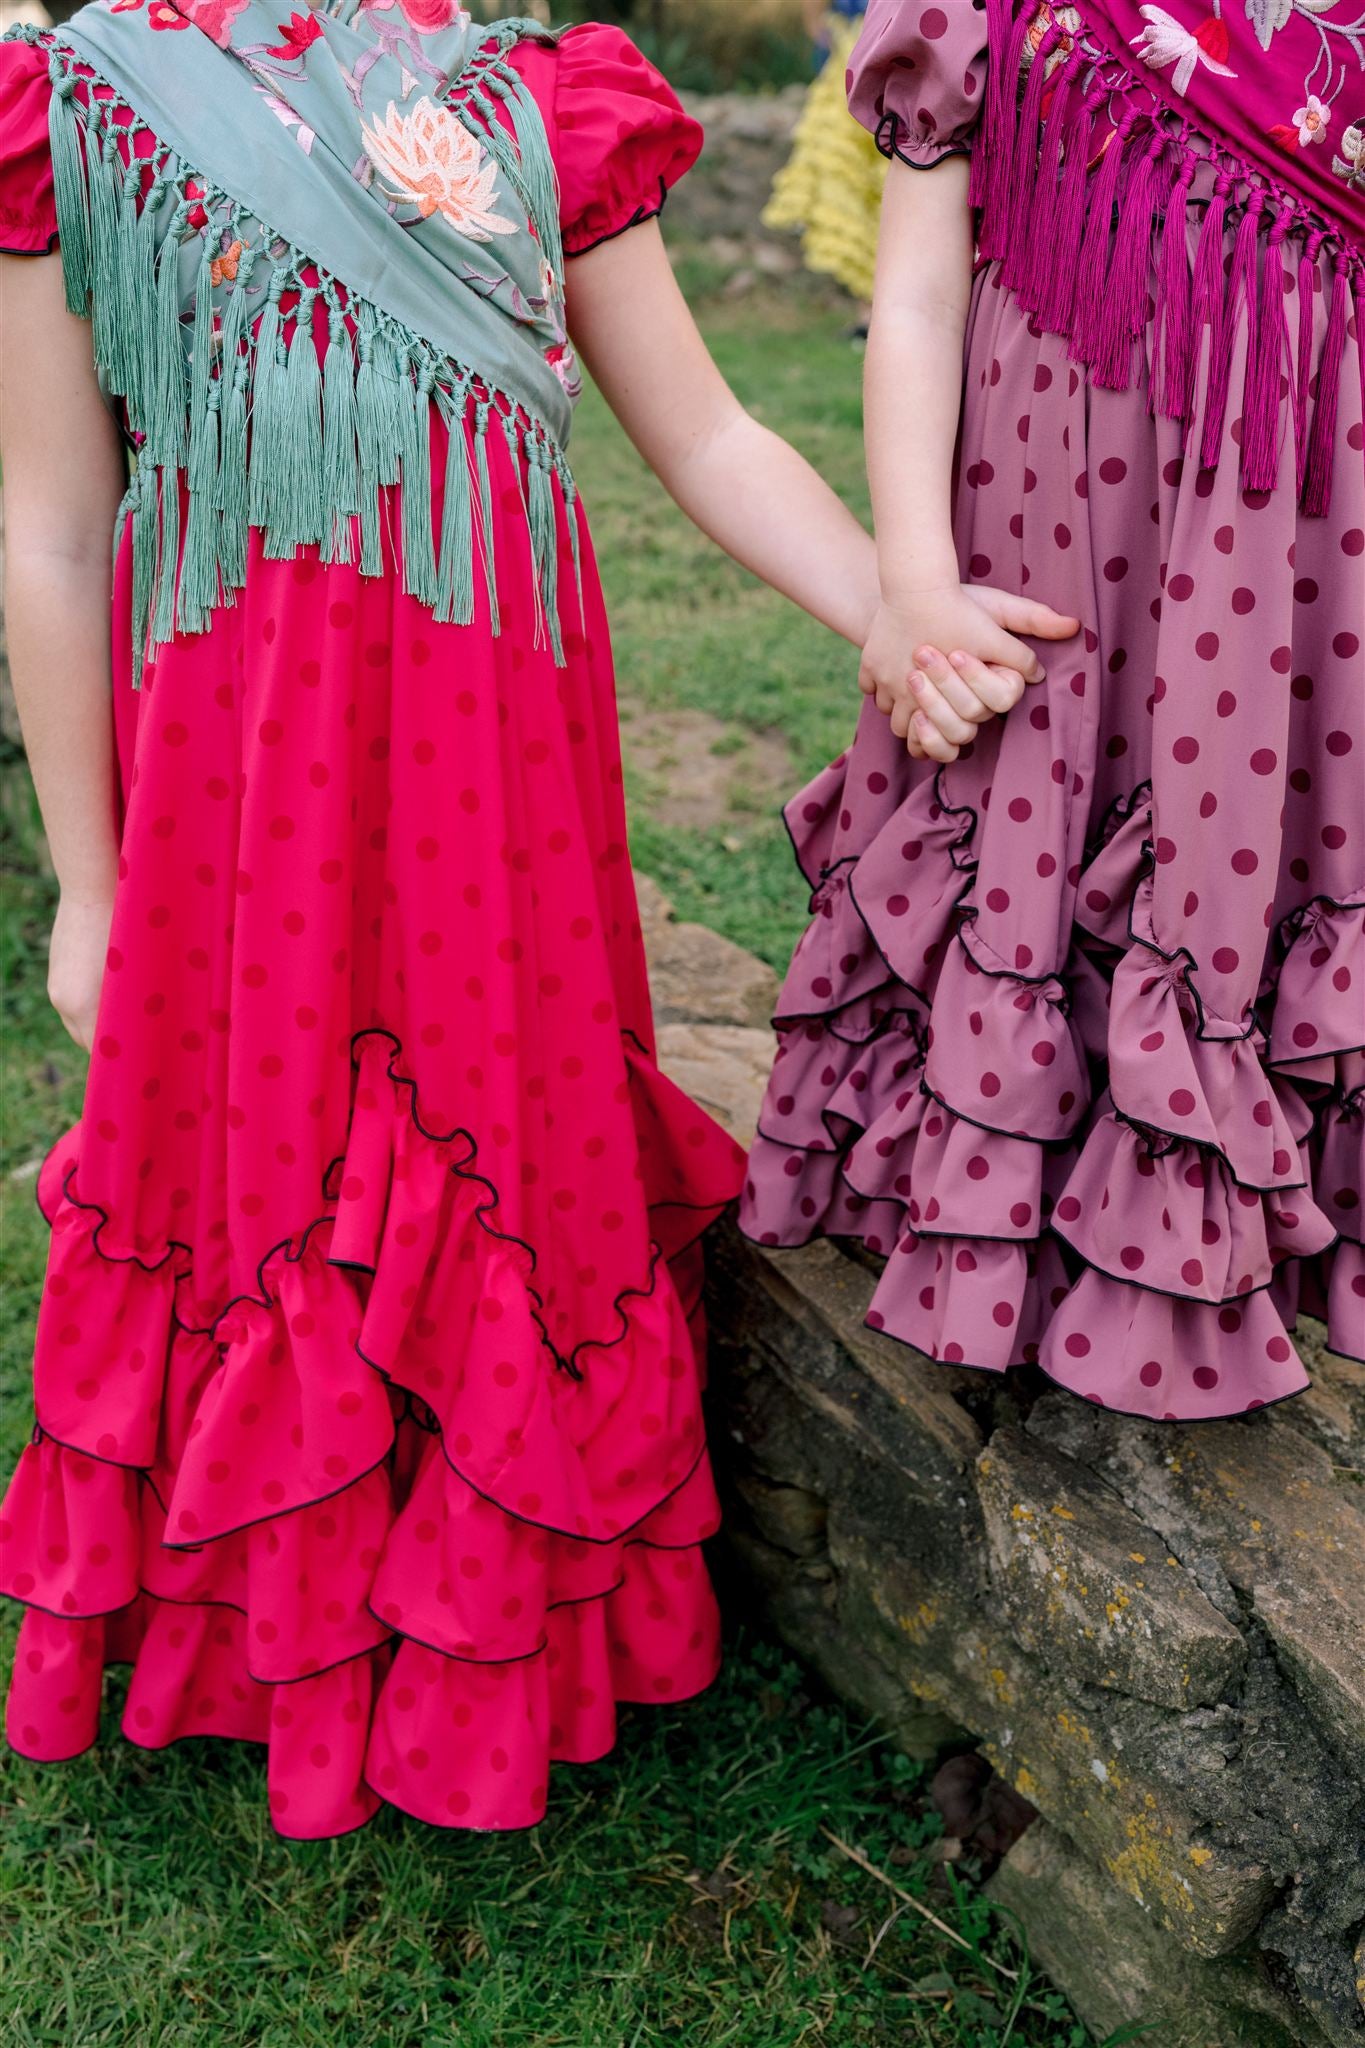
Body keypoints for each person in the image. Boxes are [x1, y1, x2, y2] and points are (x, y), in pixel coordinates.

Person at [0, 0, 985, 1841]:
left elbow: (704, 429)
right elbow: (50, 525)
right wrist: (89, 883)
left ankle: (495, 1633)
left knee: (497, 1161)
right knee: (257, 1177)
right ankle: (264, 1636)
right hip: (238, 781)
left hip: (492, 774)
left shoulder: (534, 90)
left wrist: (891, 605)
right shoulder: (79, 106)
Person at [742, 0, 1364, 1418]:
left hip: (1292, 573)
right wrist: (908, 573)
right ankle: (994, 1217)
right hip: (1054, 566)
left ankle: (1240, 1213)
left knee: (1242, 843)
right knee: (1036, 837)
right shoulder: (991, 16)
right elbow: (912, 296)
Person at [763, 0, 887, 309]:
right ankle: (866, 307)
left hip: (892, 55)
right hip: (851, 55)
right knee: (852, 186)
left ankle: (882, 308)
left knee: (883, 184)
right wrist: (824, 34)